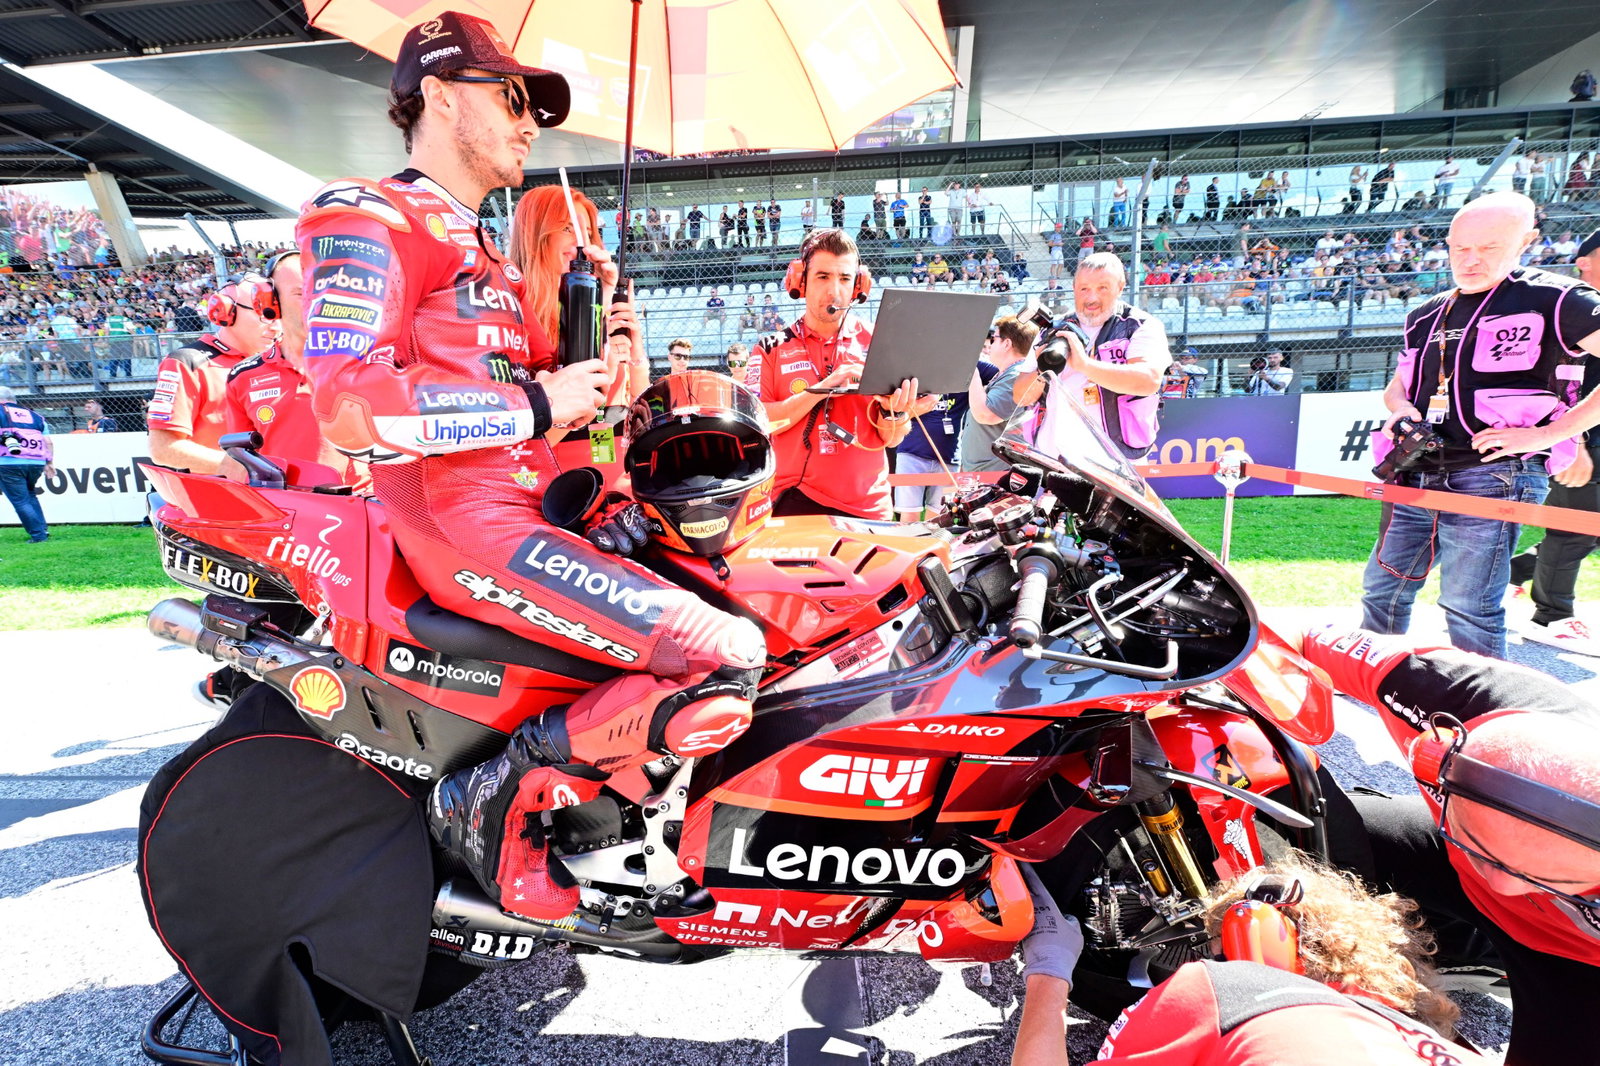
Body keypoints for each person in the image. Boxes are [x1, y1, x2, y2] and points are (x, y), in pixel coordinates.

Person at [296, 12, 765, 925]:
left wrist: (602, 322)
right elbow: (347, 408)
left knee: (754, 598)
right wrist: (538, 404)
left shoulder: (486, 256)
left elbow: (571, 407)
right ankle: (496, 796)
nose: (528, 122)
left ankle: (634, 820)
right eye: (510, 98)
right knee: (724, 657)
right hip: (467, 529)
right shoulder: (367, 214)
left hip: (533, 514)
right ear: (437, 95)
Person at [1297, 625, 1600, 1066]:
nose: (1502, 884)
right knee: (1311, 820)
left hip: (1577, 958)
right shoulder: (1451, 690)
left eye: (1557, 879)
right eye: (1482, 846)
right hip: (1448, 859)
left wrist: (1477, 845)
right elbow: (1290, 637)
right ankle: (1462, 941)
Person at [1360, 192, 1600, 660]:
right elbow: (1398, 387)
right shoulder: (1426, 312)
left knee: (1468, 604)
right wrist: (1400, 411)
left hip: (1496, 472)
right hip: (1417, 468)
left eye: (1487, 248)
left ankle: (1484, 711)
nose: (1469, 261)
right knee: (1382, 591)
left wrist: (1548, 435)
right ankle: (1373, 682)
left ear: (1527, 241)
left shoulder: (1560, 299)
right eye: (1459, 248)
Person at [1011, 855, 1490, 1066]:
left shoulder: (1221, 991)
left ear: (1255, 943)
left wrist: (1049, 974)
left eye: (1218, 945)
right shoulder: (1439, 1046)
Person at [743, 228, 921, 518]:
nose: (834, 290)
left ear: (858, 286)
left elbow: (892, 439)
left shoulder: (881, 342)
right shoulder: (770, 348)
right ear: (801, 281)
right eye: (823, 276)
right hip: (791, 503)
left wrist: (896, 413)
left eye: (845, 279)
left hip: (868, 508)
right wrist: (824, 387)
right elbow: (758, 423)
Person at [1507, 228, 1600, 654]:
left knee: (1587, 529)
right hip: (1577, 438)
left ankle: (1517, 571)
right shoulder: (1566, 307)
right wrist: (1574, 443)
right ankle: (1552, 616)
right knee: (1573, 529)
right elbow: (1559, 384)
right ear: (1584, 261)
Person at [1013, 253, 1173, 462]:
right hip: (1053, 457)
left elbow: (1148, 381)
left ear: (1120, 286)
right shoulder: (1054, 330)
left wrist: (1085, 365)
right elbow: (1020, 397)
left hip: (1114, 461)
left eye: (1102, 288)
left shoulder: (1140, 326)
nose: (1091, 298)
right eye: (1084, 288)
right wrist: (1042, 370)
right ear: (1074, 288)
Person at [509, 185, 648, 420]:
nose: (582, 242)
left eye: (588, 232)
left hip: (609, 451)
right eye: (567, 228)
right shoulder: (509, 312)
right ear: (534, 235)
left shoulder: (606, 303)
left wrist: (635, 355)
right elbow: (562, 420)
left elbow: (642, 406)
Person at [146, 275, 274, 475]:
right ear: (225, 311)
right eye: (263, 314)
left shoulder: (282, 361)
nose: (275, 325)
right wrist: (246, 469)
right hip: (222, 497)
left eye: (278, 315)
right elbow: (162, 448)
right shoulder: (187, 363)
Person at [958, 315, 1038, 472]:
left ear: (1007, 343)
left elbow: (986, 415)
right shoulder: (1011, 373)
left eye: (994, 339)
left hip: (998, 474)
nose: (990, 345)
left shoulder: (1016, 375)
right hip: (988, 472)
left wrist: (971, 372)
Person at [0, 384, 54, 543]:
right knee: (30, 495)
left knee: (20, 500)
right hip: (36, 461)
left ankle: (38, 535)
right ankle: (42, 529)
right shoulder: (35, 416)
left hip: (8, 462)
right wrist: (49, 462)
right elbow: (48, 442)